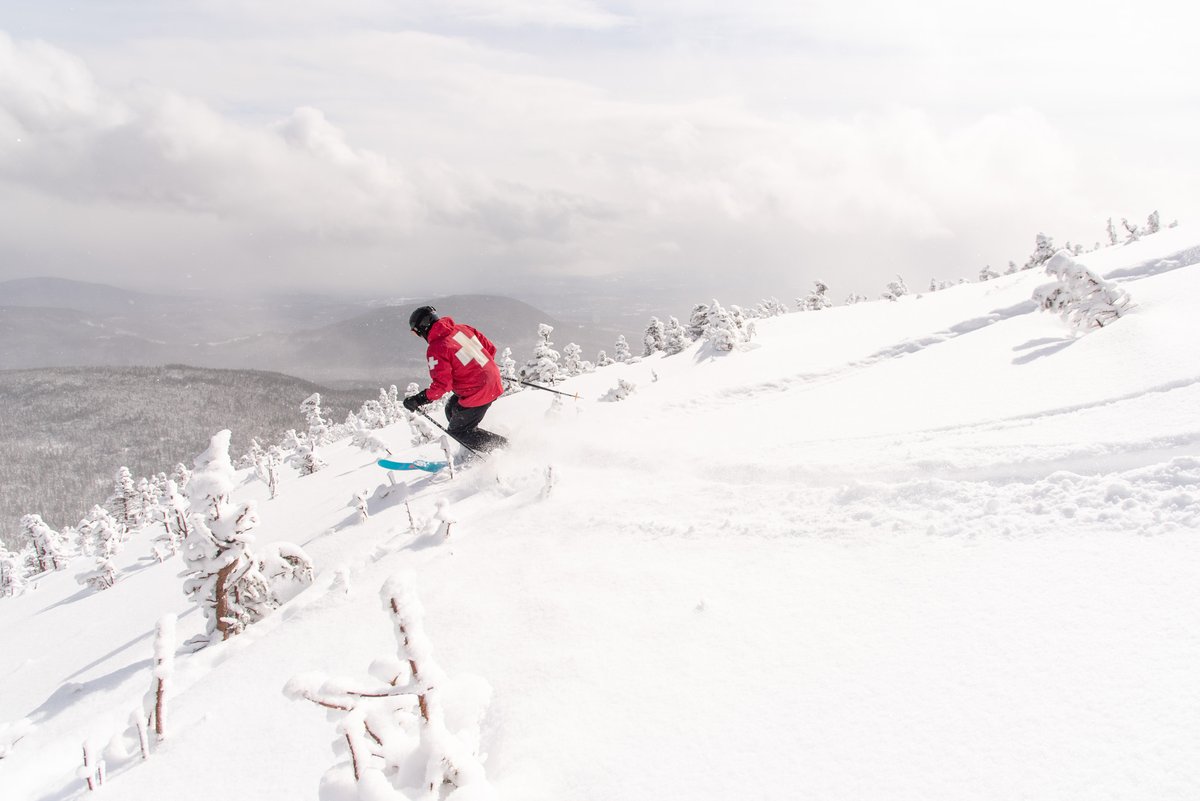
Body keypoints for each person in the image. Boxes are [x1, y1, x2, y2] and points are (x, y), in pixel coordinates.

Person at [402, 305, 508, 453]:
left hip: (478, 390)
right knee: (451, 409)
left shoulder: (437, 347)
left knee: (458, 431)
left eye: (415, 333)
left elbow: (441, 386)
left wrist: (419, 399)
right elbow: (490, 349)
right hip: (490, 382)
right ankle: (478, 442)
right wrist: (481, 371)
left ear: (422, 328)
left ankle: (506, 449)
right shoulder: (462, 329)